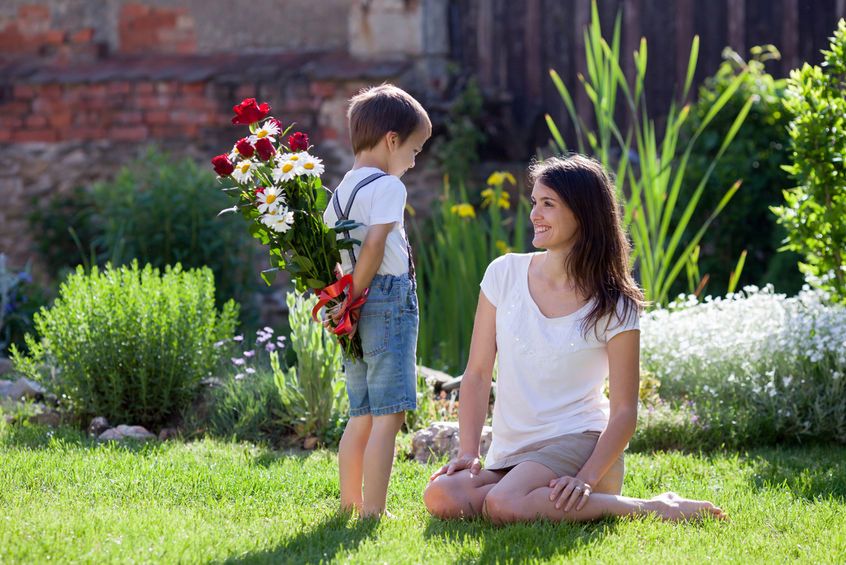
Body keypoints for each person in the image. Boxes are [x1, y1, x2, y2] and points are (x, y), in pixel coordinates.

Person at [423, 155, 726, 523]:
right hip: (515, 453)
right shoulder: (503, 274)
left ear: (583, 213)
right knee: (442, 495)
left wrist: (585, 478)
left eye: (548, 204)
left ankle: (654, 507)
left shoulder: (615, 303)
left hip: (582, 445)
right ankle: (529, 497)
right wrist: (468, 452)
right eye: (535, 202)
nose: (535, 214)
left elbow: (625, 412)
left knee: (502, 505)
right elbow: (477, 373)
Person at [323, 84, 431, 518]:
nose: (414, 160)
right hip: (385, 299)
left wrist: (344, 298)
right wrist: (352, 293)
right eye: (414, 149)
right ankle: (373, 511)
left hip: (357, 306)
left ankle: (350, 502)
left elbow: (339, 255)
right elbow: (374, 244)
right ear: (391, 140)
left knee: (362, 412)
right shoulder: (387, 187)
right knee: (390, 415)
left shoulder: (340, 192)